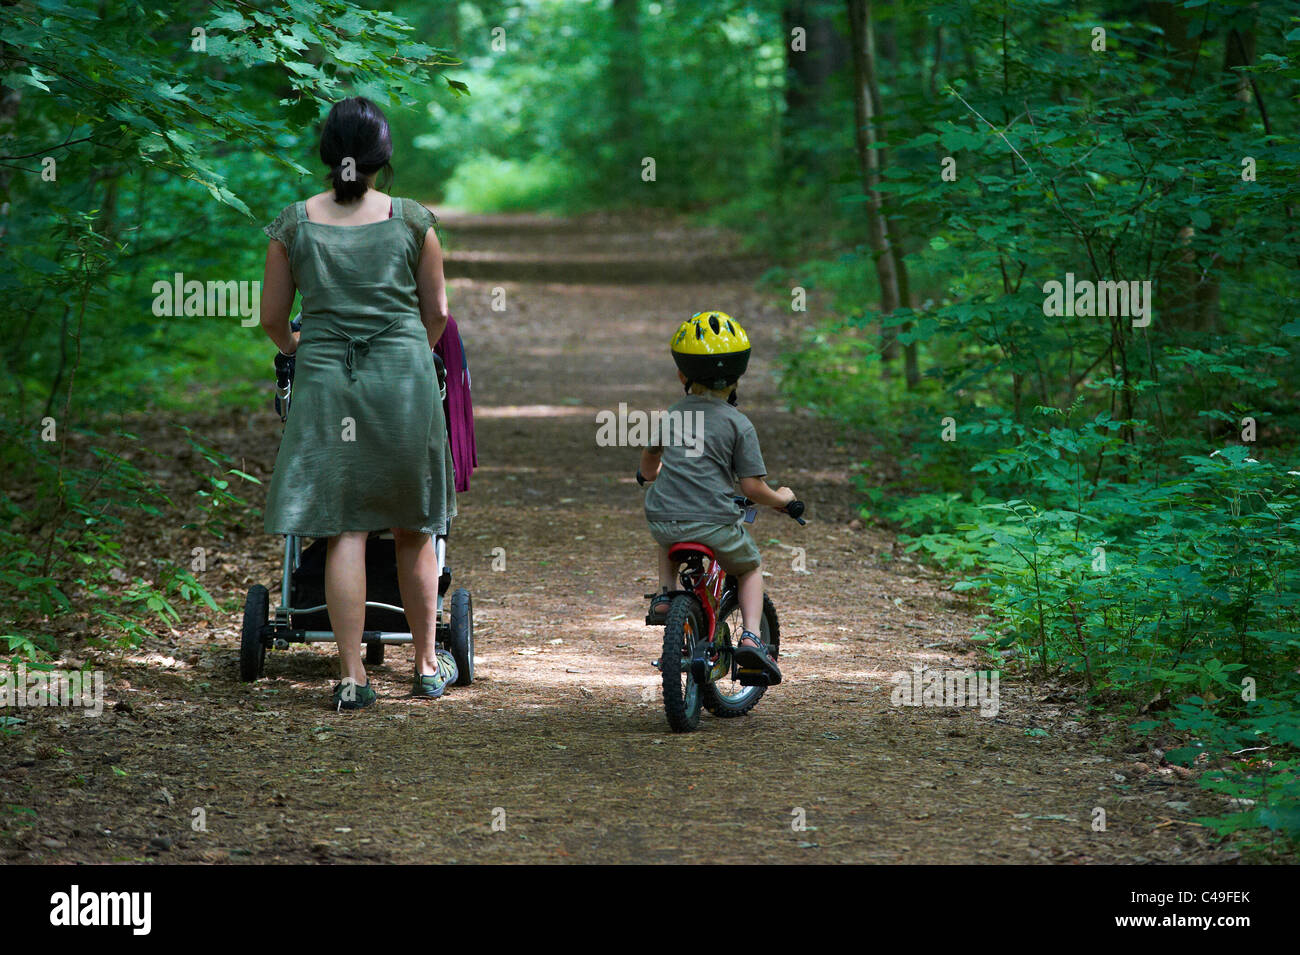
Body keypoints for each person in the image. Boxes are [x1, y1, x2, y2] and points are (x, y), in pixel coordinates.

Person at [259, 96, 460, 709]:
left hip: (324, 380)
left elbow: (271, 319)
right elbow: (438, 316)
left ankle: (351, 678)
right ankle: (426, 663)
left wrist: (304, 343)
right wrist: (402, 355)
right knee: (413, 524)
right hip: (402, 378)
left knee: (344, 526)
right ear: (383, 157)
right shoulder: (413, 222)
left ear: (327, 154)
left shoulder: (293, 225)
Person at [637, 310, 795, 684]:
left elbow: (649, 463)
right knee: (750, 568)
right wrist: (784, 499)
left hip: (664, 517)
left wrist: (651, 476)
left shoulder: (672, 415)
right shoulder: (739, 424)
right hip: (714, 524)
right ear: (739, 377)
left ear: (682, 375)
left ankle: (665, 594)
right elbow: (752, 488)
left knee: (668, 525)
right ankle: (753, 639)